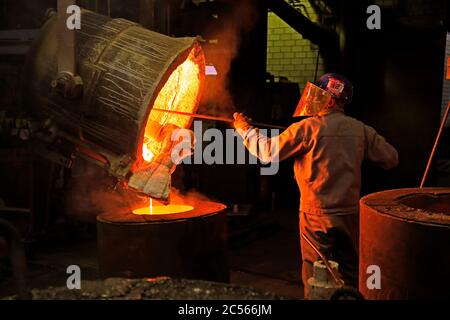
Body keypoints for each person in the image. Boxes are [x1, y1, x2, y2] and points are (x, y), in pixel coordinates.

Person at [233, 73, 399, 295]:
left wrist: (245, 129)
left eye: (319, 95)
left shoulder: (307, 128)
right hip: (349, 213)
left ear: (330, 100)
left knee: (315, 277)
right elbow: (391, 158)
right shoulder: (361, 129)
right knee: (351, 272)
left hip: (315, 215)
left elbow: (266, 152)